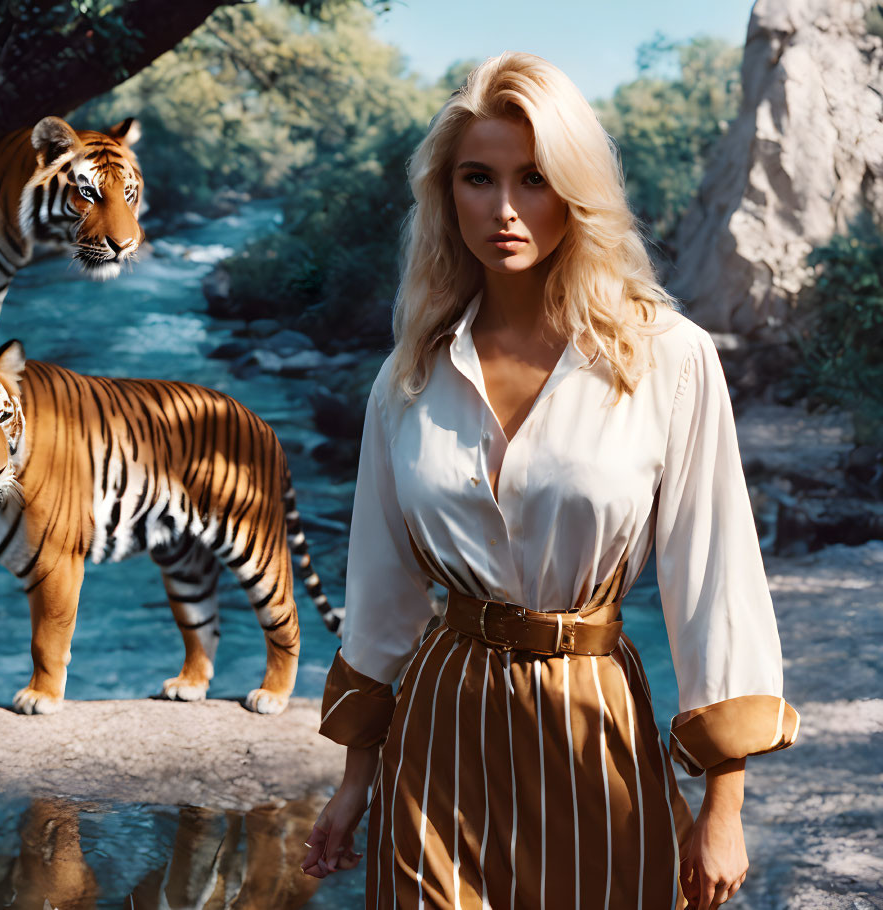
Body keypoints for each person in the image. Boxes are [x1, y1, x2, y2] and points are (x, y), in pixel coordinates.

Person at [300, 52, 799, 910]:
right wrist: (355, 779)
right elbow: (380, 593)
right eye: (476, 178)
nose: (503, 209)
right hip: (440, 729)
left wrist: (724, 802)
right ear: (445, 194)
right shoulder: (409, 377)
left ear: (576, 190)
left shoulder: (667, 359)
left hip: (592, 724)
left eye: (534, 179)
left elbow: (714, 580)